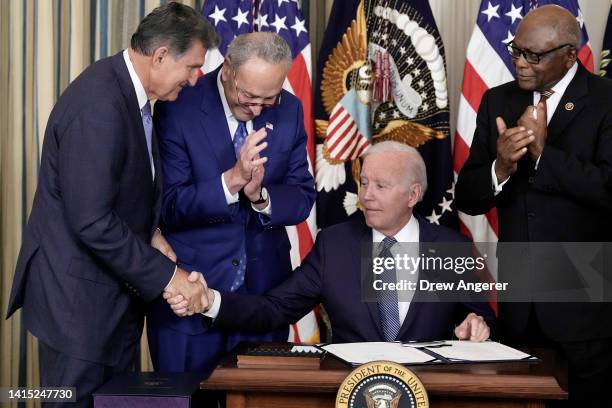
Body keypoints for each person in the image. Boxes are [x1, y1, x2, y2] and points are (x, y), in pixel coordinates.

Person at [5, 3, 218, 406]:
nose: (196, 79)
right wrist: (168, 277)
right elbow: (92, 220)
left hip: (107, 306)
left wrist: (152, 233)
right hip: (77, 311)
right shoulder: (99, 105)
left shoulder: (130, 94)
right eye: (191, 66)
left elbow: (119, 191)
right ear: (159, 56)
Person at [169, 141, 494, 343]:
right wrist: (210, 300)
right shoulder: (335, 245)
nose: (367, 196)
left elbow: (480, 319)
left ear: (413, 195)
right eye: (364, 182)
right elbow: (275, 308)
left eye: (381, 186)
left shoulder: (451, 249)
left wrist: (475, 325)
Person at [455, 5, 612, 405]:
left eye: (534, 56)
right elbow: (468, 198)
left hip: (587, 310)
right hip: (519, 309)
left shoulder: (605, 100)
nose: (521, 64)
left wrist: (544, 155)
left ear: (569, 54)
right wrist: (501, 166)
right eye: (516, 51)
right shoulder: (497, 102)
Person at [147, 32, 316, 375]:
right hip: (190, 293)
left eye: (267, 100)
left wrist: (260, 196)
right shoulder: (178, 104)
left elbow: (302, 197)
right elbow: (169, 206)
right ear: (228, 69)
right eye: (248, 95)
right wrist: (231, 182)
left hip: (262, 299)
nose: (256, 108)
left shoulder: (289, 109)